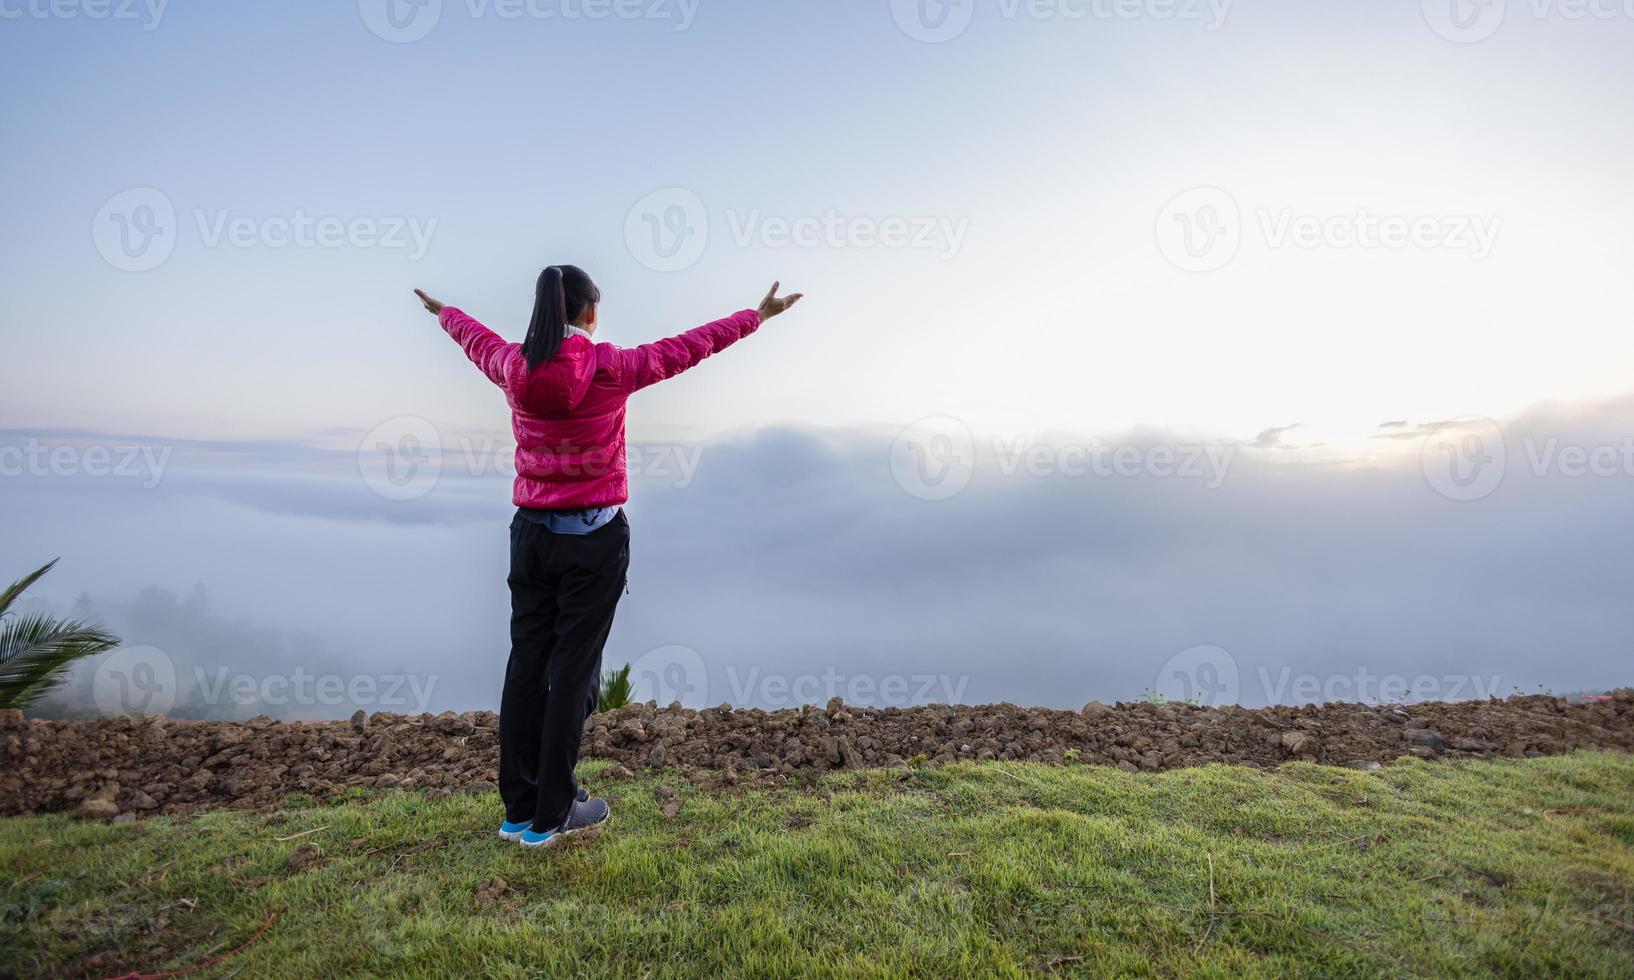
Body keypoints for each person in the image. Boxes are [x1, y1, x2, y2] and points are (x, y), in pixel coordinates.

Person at [413, 269, 803, 847]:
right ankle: (553, 813)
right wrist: (757, 316)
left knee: (526, 666)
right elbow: (687, 348)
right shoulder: (610, 367)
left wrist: (446, 313)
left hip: (532, 537)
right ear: (590, 313)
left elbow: (478, 340)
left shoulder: (513, 366)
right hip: (592, 541)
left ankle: (518, 809)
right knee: (572, 672)